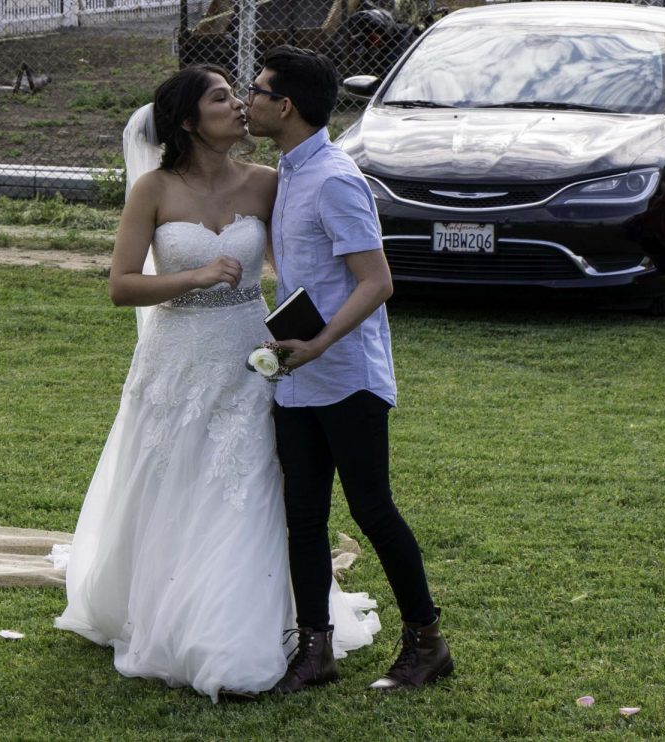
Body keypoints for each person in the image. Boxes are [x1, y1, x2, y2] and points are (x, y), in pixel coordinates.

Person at [54, 64, 379, 703]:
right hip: (177, 358)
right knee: (175, 481)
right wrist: (193, 277)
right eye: (222, 98)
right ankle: (165, 608)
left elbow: (303, 267)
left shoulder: (268, 183)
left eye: (241, 94)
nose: (239, 106)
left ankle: (245, 626)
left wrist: (311, 336)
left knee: (253, 484)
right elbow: (121, 286)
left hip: (249, 352)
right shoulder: (153, 189)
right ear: (186, 120)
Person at [244, 46, 454, 694]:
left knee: (372, 510)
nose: (247, 100)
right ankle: (316, 653)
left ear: (285, 106)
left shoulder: (336, 177)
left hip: (347, 379)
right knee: (301, 516)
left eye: (256, 91)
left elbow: (377, 281)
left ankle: (427, 643)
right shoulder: (288, 173)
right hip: (297, 375)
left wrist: (322, 343)